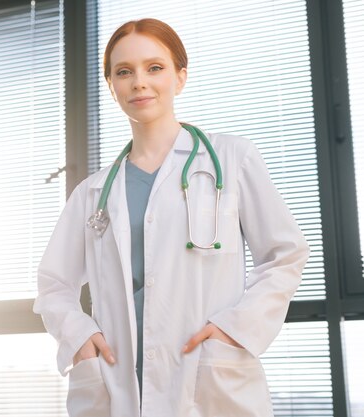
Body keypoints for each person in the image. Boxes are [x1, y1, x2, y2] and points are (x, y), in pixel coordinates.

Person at [33, 18, 309, 417]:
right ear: (111, 86)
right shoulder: (92, 194)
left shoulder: (232, 160)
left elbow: (285, 255)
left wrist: (234, 329)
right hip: (115, 385)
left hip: (206, 378)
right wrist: (79, 336)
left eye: (155, 67)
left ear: (180, 77)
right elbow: (53, 284)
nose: (139, 82)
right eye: (123, 72)